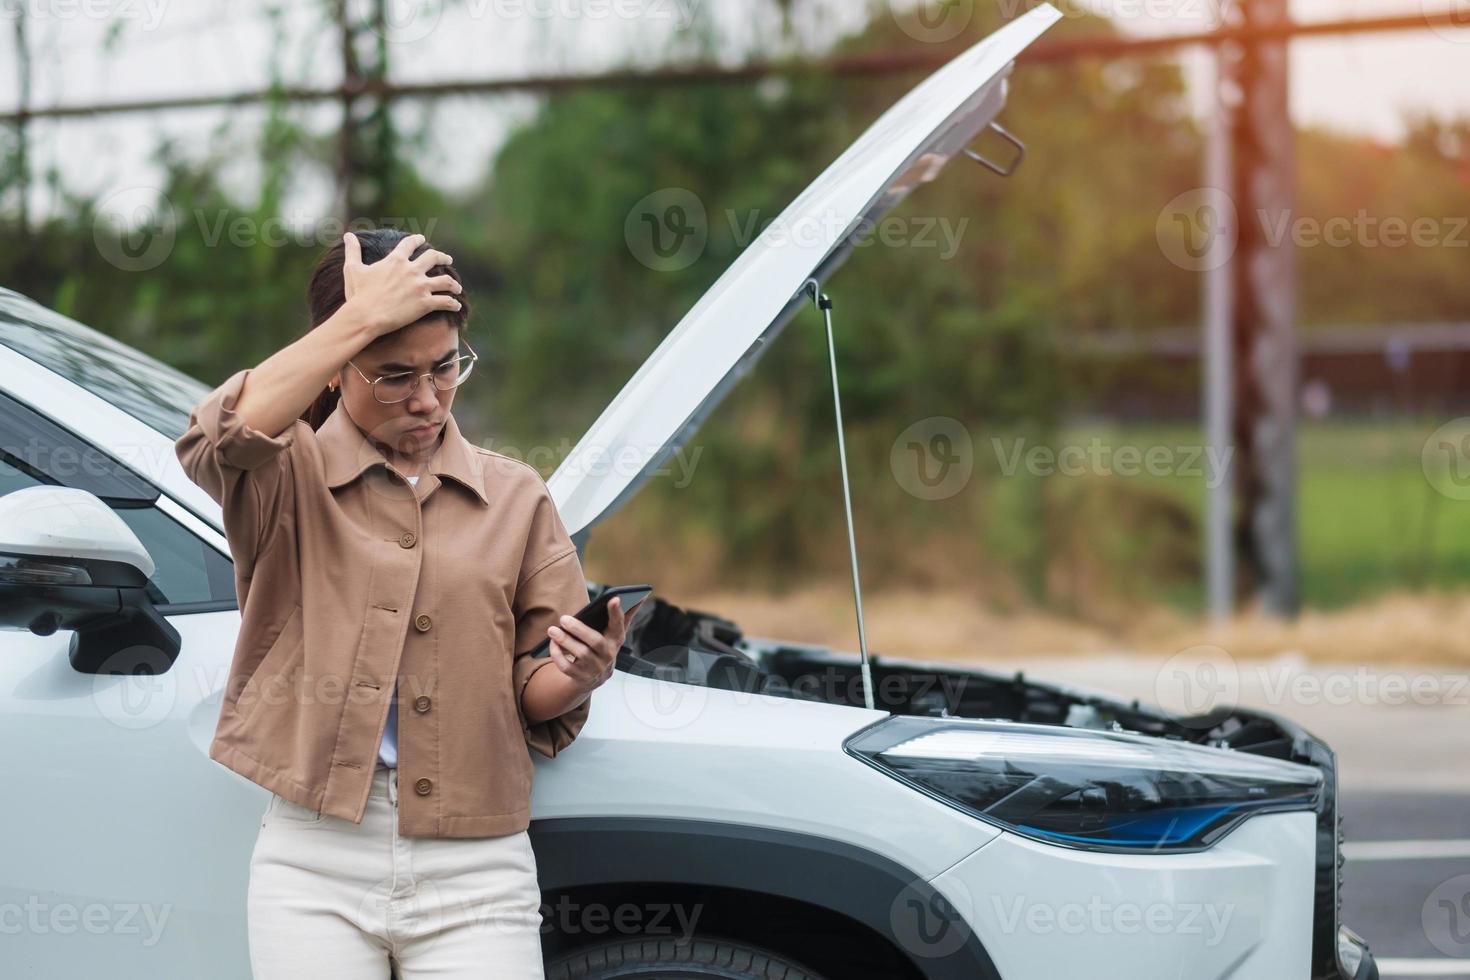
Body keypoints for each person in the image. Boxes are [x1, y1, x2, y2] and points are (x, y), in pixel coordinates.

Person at [175, 228, 641, 978]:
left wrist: (581, 672)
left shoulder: (516, 496)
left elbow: (534, 692)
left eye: (446, 367)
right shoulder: (283, 479)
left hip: (477, 867)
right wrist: (356, 317)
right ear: (337, 365)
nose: (426, 399)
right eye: (392, 375)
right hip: (313, 860)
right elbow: (215, 438)